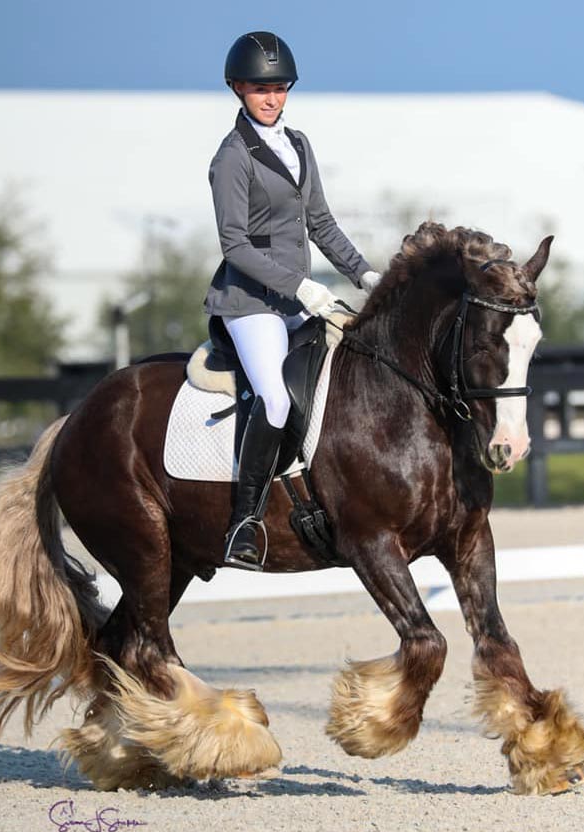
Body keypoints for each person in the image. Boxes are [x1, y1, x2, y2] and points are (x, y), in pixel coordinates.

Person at [205, 30, 381, 571]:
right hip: (250, 303)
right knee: (277, 401)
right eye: (260, 88)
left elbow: (321, 223)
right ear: (238, 87)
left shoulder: (299, 144)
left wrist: (365, 274)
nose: (272, 97)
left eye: (279, 87)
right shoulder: (233, 157)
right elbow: (233, 244)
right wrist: (300, 287)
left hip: (296, 302)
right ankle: (244, 522)